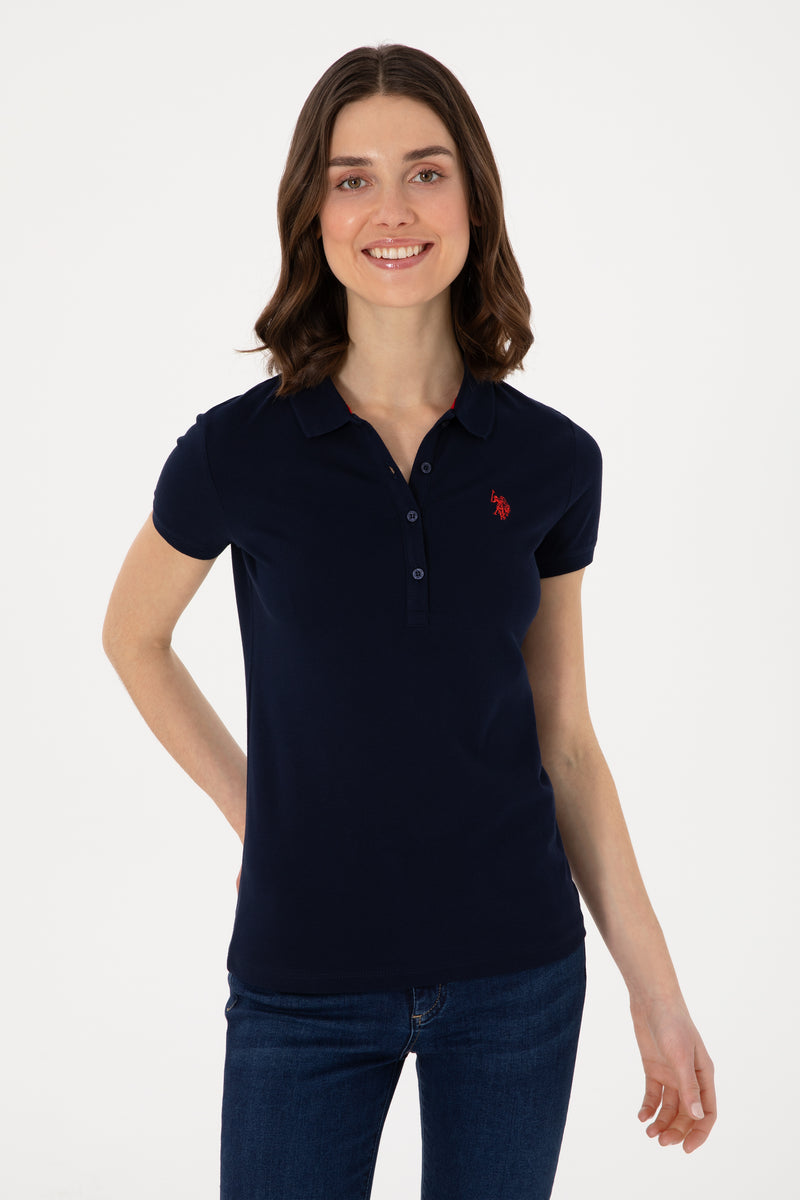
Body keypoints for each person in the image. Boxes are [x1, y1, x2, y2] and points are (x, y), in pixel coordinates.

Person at [102, 42, 716, 1200]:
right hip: (302, 976)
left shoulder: (551, 460)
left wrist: (657, 994)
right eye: (353, 179)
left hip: (517, 979)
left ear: (473, 200)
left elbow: (565, 742)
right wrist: (254, 811)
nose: (391, 210)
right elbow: (132, 638)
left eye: (425, 173)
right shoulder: (235, 452)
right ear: (314, 211)